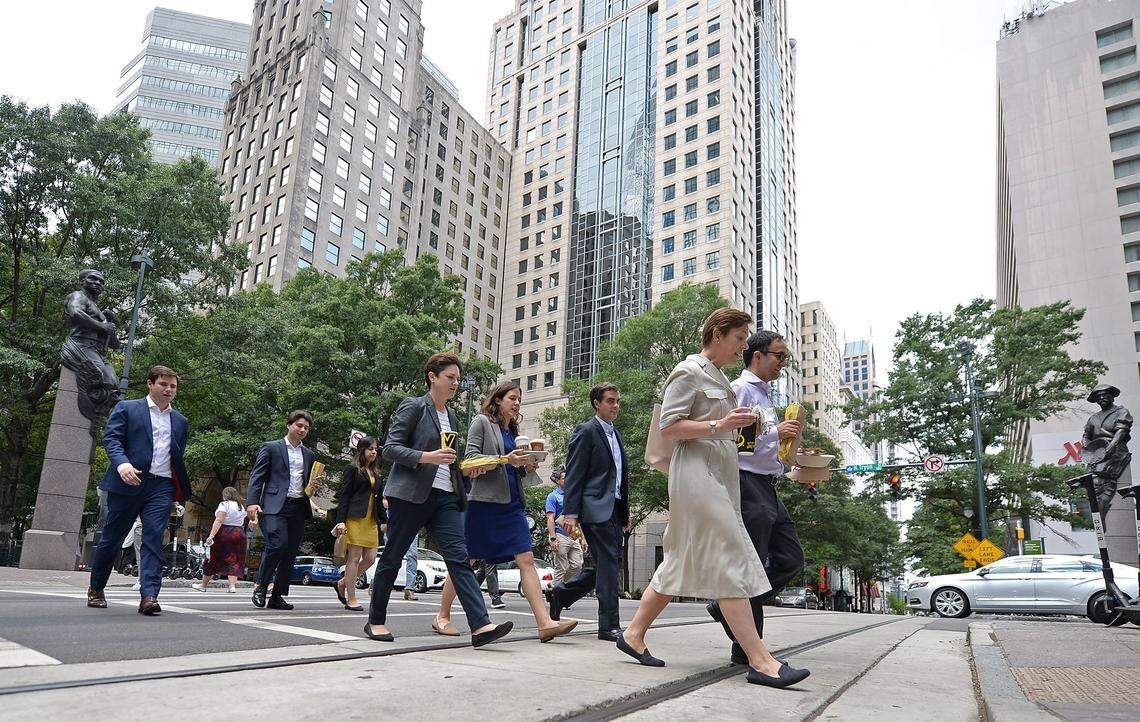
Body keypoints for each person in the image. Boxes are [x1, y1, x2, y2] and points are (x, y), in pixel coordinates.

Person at [616, 308, 810, 689]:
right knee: (731, 559)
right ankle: (760, 659)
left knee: (676, 561)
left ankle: (633, 633)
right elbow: (669, 427)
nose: (743, 347)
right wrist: (719, 424)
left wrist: (746, 431)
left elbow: (733, 438)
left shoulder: (720, 378)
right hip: (695, 477)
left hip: (720, 477)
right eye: (739, 338)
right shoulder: (688, 371)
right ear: (718, 334)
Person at [364, 353, 513, 648]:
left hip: (445, 497)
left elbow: (451, 461)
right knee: (393, 556)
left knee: (459, 558)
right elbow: (391, 449)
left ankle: (481, 625)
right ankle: (376, 620)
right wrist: (426, 457)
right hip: (410, 496)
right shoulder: (415, 406)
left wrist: (474, 468)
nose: (456, 384)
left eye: (458, 379)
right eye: (451, 378)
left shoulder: (453, 417)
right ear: (433, 377)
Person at [435, 381, 577, 642]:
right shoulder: (481, 422)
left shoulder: (513, 430)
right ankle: (442, 616)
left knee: (527, 559)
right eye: (512, 398)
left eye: (519, 399)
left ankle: (545, 623)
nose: (517, 403)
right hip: (483, 502)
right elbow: (470, 461)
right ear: (497, 399)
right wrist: (505, 460)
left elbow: (515, 469)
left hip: (512, 503)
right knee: (466, 560)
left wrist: (528, 466)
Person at [706, 330, 808, 669]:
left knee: (791, 558)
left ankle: (726, 608)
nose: (783, 363)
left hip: (767, 484)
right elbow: (732, 440)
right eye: (779, 356)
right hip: (745, 482)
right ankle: (748, 651)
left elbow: (764, 445)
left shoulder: (764, 395)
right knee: (751, 565)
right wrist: (774, 432)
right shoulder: (741, 389)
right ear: (757, 355)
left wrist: (789, 453)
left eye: (785, 358)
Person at [87, 365, 191, 616]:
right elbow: (111, 440)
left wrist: (176, 495)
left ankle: (149, 596)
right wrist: (122, 465)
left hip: (161, 486)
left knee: (154, 538)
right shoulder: (127, 408)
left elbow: (177, 454)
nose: (168, 390)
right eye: (163, 384)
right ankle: (96, 588)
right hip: (128, 482)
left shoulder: (180, 421)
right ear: (150, 383)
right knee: (113, 538)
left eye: (173, 386)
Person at [548, 383, 629, 642]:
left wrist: (625, 510)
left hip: (614, 509)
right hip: (594, 507)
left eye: (617, 401)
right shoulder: (586, 431)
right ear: (597, 403)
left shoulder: (617, 435)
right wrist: (571, 513)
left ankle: (560, 594)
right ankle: (608, 625)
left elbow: (619, 476)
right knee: (608, 563)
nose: (615, 405)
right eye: (610, 401)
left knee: (609, 564)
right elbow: (575, 474)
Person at [245, 410, 326, 611]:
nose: (302, 430)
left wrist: (315, 485)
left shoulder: (309, 454)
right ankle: (261, 586)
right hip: (273, 506)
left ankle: (277, 596)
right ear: (288, 425)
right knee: (277, 544)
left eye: (306, 428)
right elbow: (257, 476)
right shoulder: (271, 447)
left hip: (298, 507)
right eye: (299, 425)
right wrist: (252, 502)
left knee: (290, 552)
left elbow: (307, 484)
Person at [333, 436, 386, 611]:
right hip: (354, 518)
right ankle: (352, 597)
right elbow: (344, 496)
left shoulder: (376, 473)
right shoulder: (352, 469)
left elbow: (378, 501)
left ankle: (342, 583)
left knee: (370, 559)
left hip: (371, 520)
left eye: (376, 449)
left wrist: (384, 521)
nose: (374, 452)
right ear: (362, 450)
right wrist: (340, 520)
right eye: (370, 448)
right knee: (354, 558)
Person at [194, 487, 248, 593]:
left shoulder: (224, 505)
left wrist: (211, 536)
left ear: (226, 495)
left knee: (213, 558)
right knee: (235, 558)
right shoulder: (242, 505)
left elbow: (219, 520)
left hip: (224, 532)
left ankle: (203, 585)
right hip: (239, 533)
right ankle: (232, 586)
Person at [545, 465, 587, 586]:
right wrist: (553, 538)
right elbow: (550, 518)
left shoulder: (574, 496)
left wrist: (583, 538)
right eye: (564, 478)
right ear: (558, 481)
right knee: (561, 567)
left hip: (574, 536)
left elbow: (578, 520)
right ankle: (556, 598)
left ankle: (555, 585)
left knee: (577, 565)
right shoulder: (553, 496)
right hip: (560, 535)